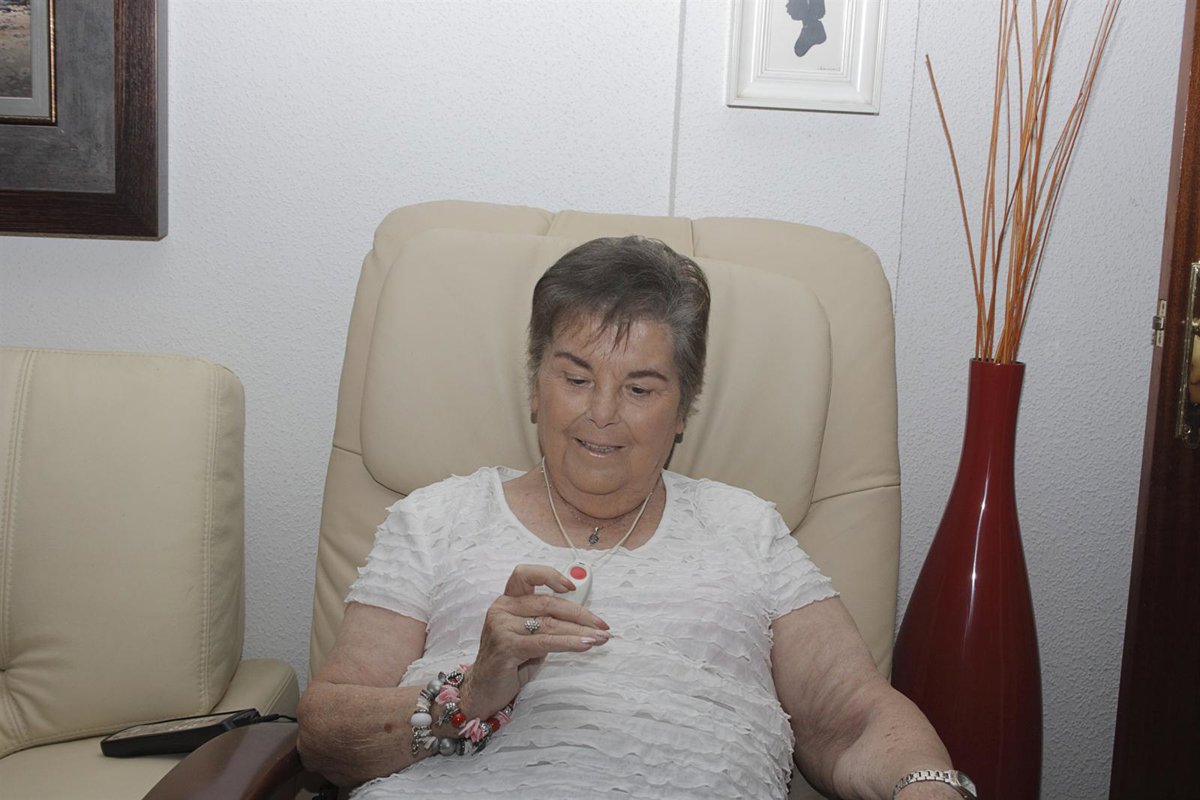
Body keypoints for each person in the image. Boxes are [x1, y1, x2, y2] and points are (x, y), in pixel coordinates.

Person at [296, 236, 972, 799]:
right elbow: (324, 735)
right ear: (535, 386)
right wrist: (469, 694)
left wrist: (929, 786)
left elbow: (856, 718)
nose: (602, 414)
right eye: (576, 378)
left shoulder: (746, 529)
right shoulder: (438, 517)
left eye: (640, 388)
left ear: (682, 410)